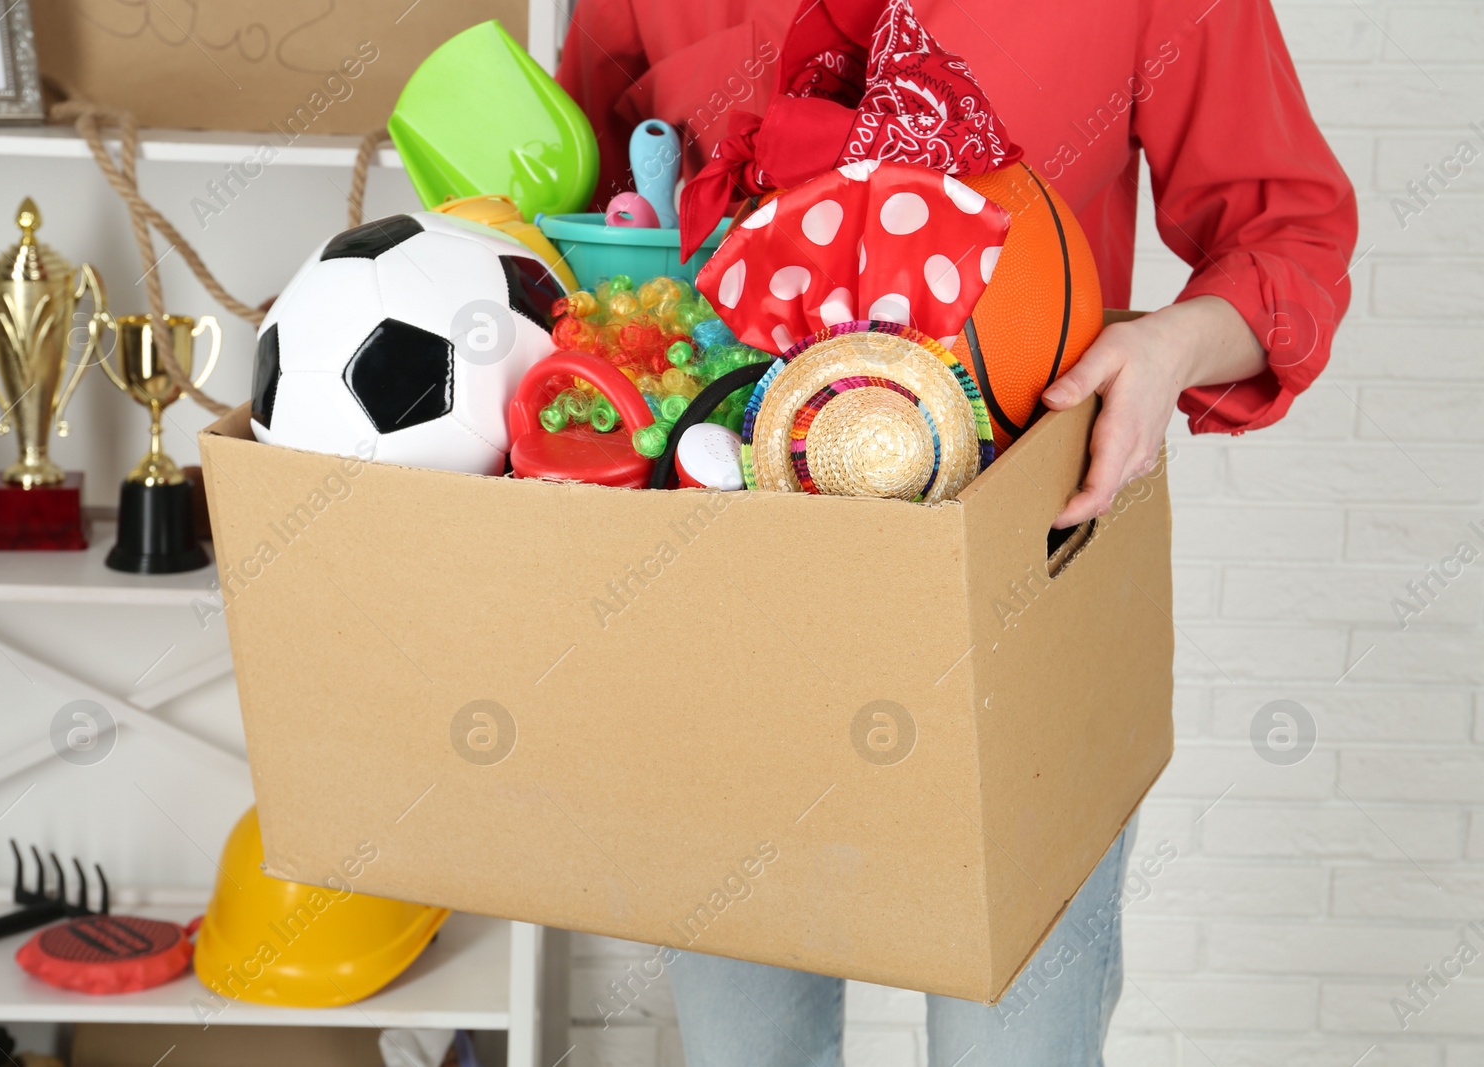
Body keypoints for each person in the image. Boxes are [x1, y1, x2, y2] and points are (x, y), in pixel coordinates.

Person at [557, 1, 1356, 1063]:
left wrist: (1166, 348)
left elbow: (1287, 235)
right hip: (726, 612)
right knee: (742, 1044)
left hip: (1026, 599)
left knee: (1016, 1046)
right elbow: (577, 238)